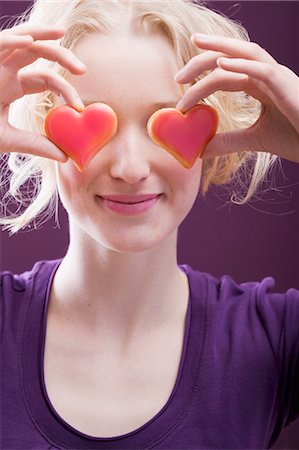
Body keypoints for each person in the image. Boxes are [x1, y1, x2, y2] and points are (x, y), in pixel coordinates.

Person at [0, 0, 298, 448]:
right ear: (42, 130)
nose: (131, 168)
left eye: (166, 122)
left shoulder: (275, 337)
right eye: (96, 119)